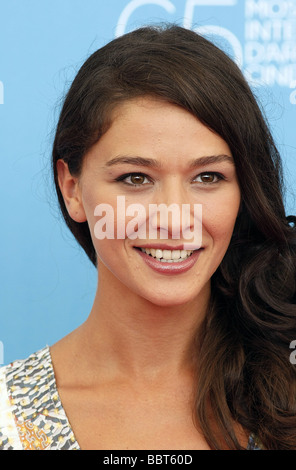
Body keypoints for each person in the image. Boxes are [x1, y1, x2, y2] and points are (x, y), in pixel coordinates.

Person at [0, 24, 295, 451]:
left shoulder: (286, 387)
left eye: (208, 177)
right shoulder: (7, 416)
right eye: (135, 178)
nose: (174, 220)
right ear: (72, 189)